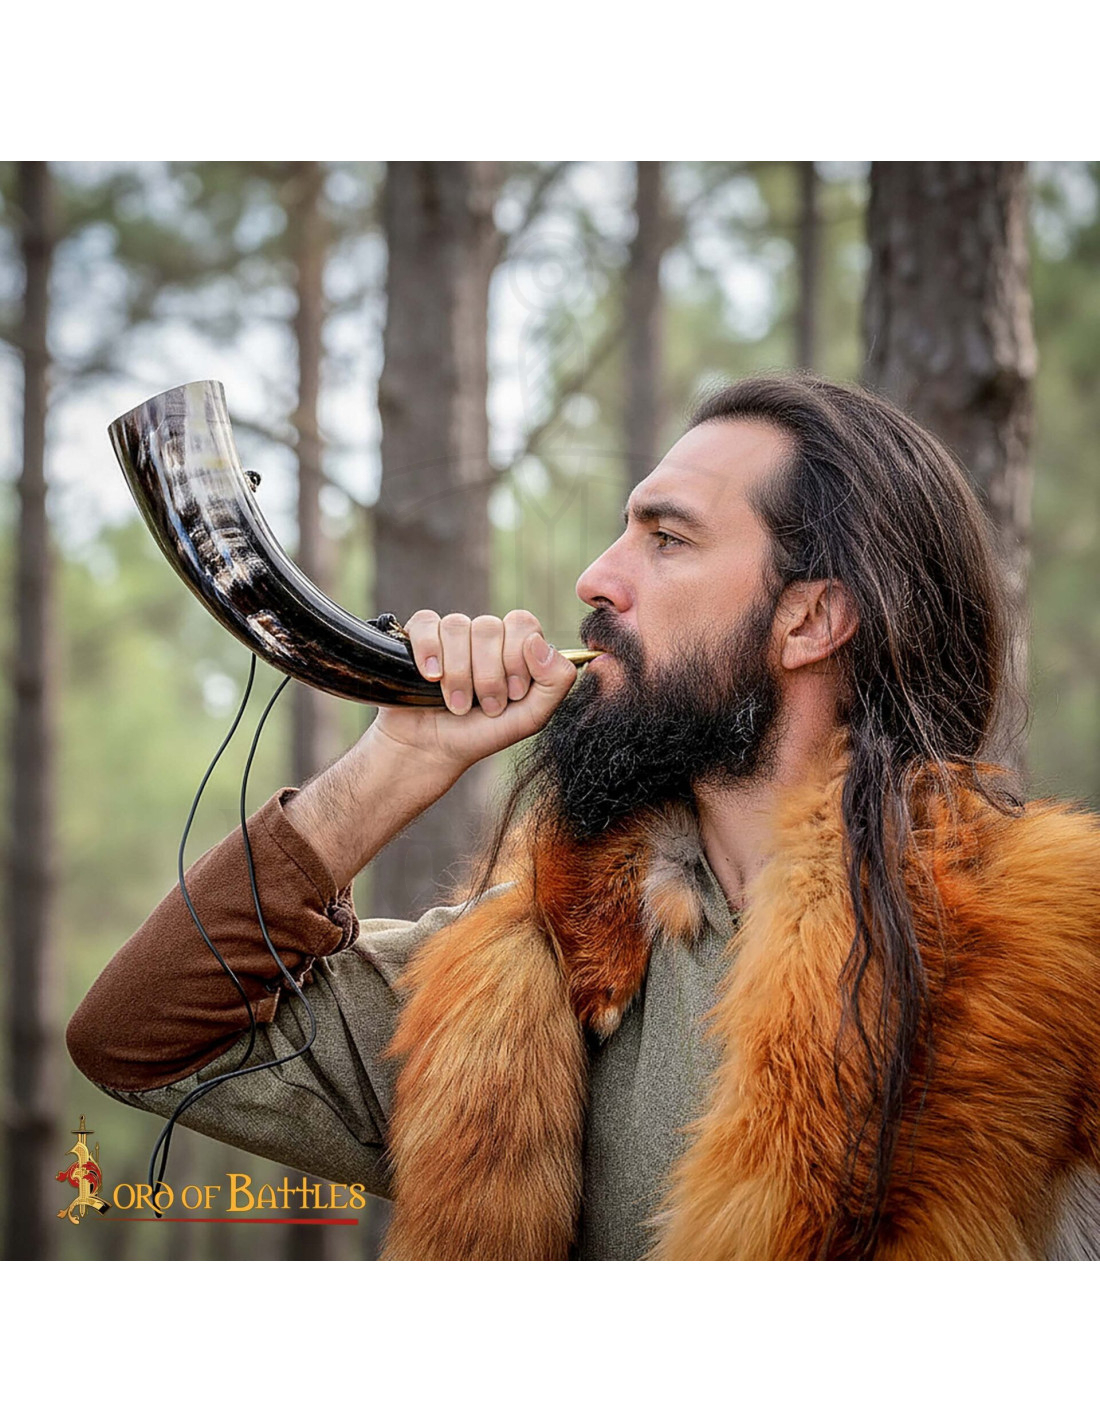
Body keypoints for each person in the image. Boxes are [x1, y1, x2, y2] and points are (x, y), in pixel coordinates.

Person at [68, 373, 1100, 1261]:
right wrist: (397, 761)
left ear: (810, 620)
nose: (595, 579)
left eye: (666, 539)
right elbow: (138, 1040)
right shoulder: (528, 971)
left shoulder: (1045, 953)